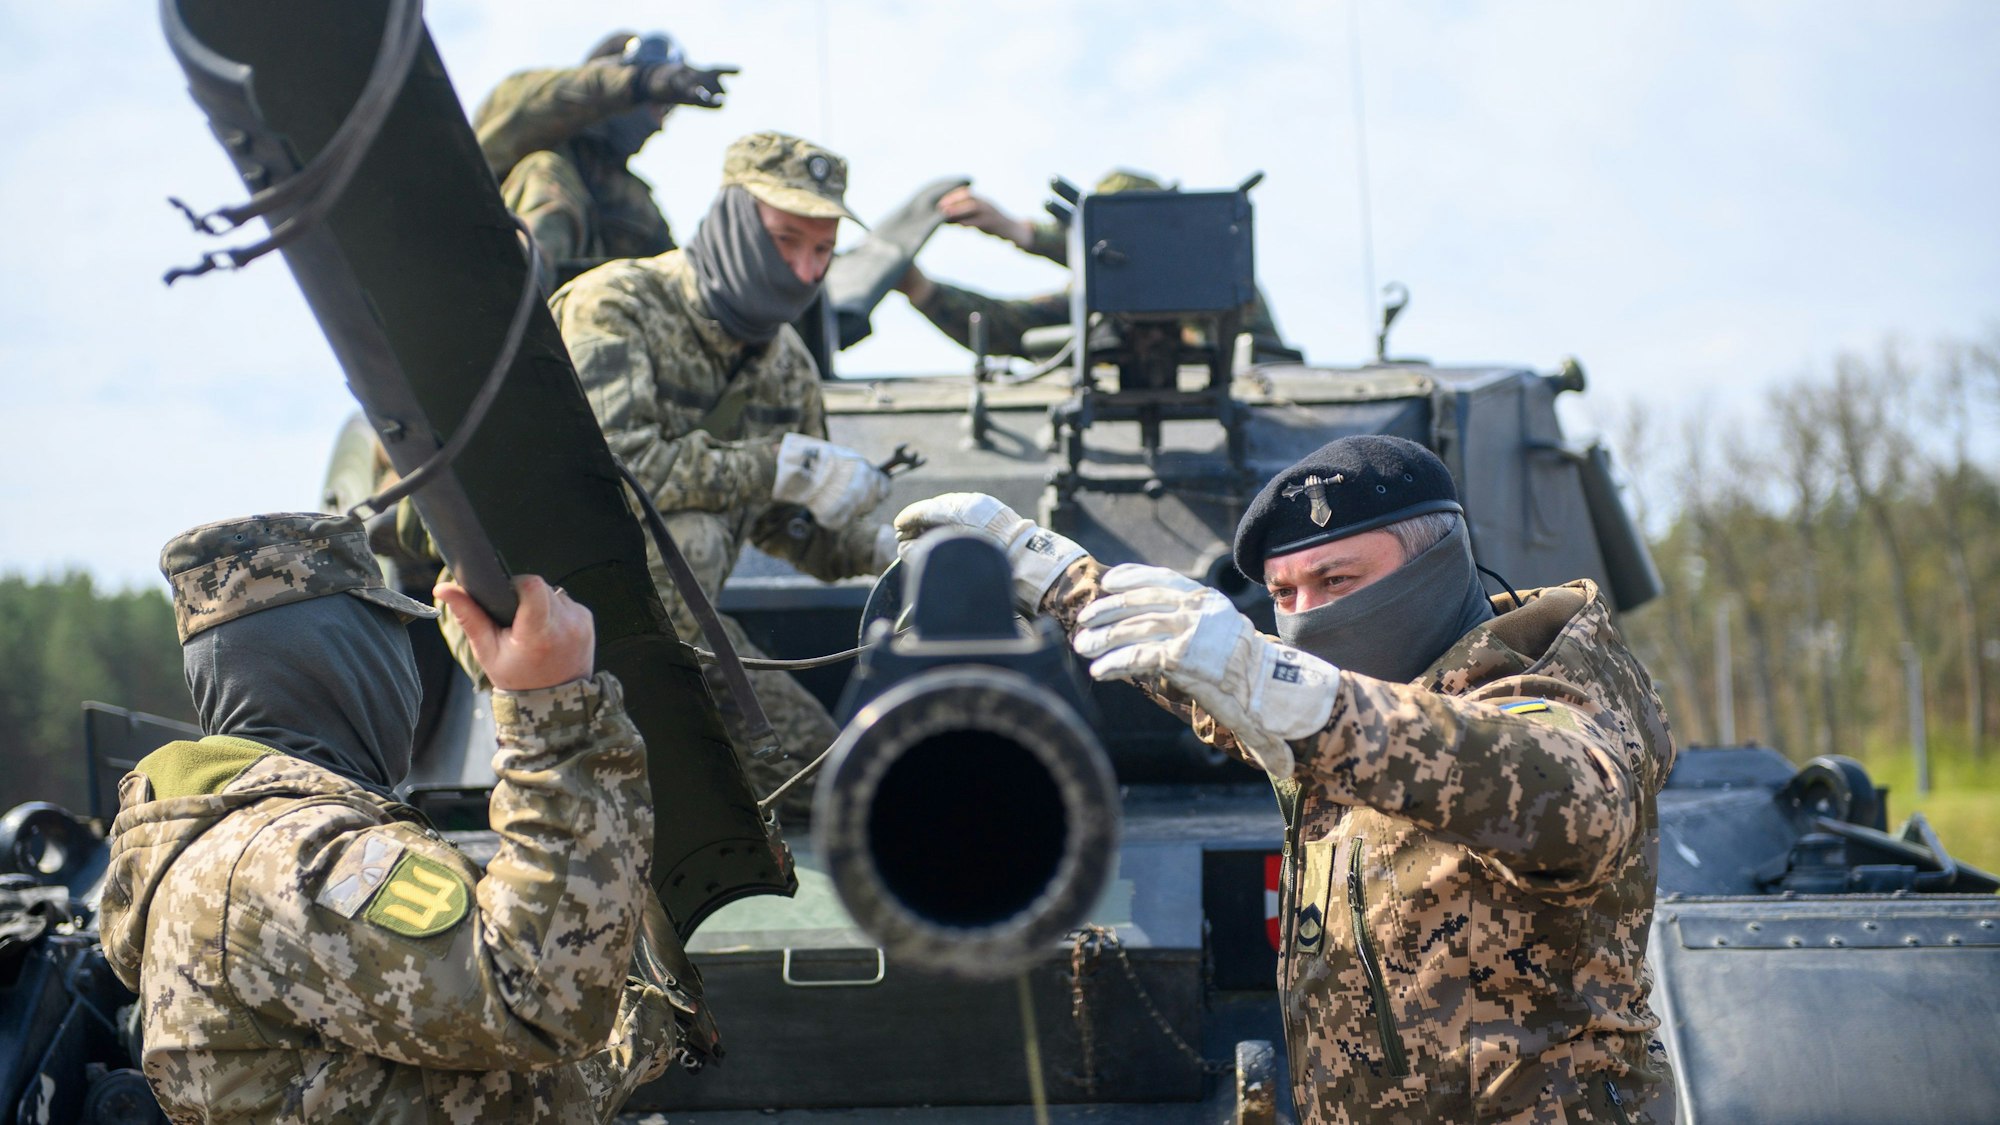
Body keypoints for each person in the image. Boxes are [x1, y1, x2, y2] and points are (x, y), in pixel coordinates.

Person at [894, 434, 1678, 1124]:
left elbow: (1569, 796)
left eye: (1336, 581)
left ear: (1437, 564)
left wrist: (1295, 692)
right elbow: (1242, 701)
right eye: (1283, 595)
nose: (1307, 616)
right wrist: (1064, 581)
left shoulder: (1548, 687)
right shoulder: (1345, 713)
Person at [98, 513, 704, 1122]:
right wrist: (556, 707)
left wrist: (643, 1022)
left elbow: (475, 1086)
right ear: (339, 657)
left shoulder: (231, 852)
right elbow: (539, 998)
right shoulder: (292, 855)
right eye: (393, 632)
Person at [551, 132, 894, 819]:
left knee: (839, 782)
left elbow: (792, 528)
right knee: (696, 535)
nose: (803, 270)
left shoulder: (787, 364)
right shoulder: (614, 304)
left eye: (822, 250)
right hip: (547, 622)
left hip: (684, 644)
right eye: (785, 239)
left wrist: (892, 547)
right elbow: (618, 472)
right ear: (737, 218)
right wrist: (782, 466)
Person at [894, 170, 1287, 359]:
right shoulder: (1095, 303)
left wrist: (1022, 232)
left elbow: (1146, 263)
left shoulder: (1221, 285)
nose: (1118, 251)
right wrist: (922, 290)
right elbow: (1006, 324)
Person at [473, 30, 739, 287]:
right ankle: (516, 287)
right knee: (544, 170)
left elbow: (673, 280)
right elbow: (549, 98)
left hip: (570, 321)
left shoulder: (633, 204)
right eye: (658, 105)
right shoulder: (524, 112)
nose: (659, 125)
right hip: (479, 264)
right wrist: (640, 81)